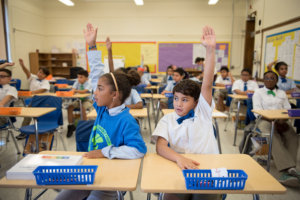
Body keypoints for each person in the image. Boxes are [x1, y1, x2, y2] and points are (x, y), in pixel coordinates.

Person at [55, 23, 147, 200]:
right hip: (91, 172)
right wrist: (91, 45)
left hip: (111, 179)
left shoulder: (126, 120)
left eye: (99, 89)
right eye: (95, 88)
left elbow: (139, 150)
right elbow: (97, 74)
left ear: (114, 95)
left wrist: (105, 152)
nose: (94, 92)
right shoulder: (104, 109)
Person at [152, 26, 220, 200]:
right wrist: (179, 159)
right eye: (176, 98)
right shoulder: (167, 120)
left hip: (206, 170)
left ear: (196, 102)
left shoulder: (202, 113)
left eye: (185, 100)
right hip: (179, 168)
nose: (178, 104)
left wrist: (210, 50)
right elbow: (160, 147)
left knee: (204, 197)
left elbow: (207, 84)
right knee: (171, 196)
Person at [252, 71, 300, 187]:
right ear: (263, 80)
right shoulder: (258, 93)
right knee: (273, 135)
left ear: (276, 80)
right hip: (264, 121)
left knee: (292, 135)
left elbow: (287, 108)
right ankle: (287, 169)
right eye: (266, 78)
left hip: (281, 120)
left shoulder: (282, 93)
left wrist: (282, 121)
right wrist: (273, 121)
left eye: (272, 78)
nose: (269, 80)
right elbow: (258, 112)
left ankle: (291, 168)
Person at [16, 59, 51, 139]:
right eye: (39, 72)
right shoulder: (33, 78)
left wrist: (31, 93)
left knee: (41, 116)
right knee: (27, 115)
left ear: (45, 76)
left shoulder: (46, 82)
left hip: (44, 102)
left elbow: (43, 90)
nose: (40, 74)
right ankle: (23, 131)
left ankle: (42, 130)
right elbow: (27, 72)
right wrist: (22, 65)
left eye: (42, 73)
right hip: (34, 101)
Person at [66, 69, 93, 138]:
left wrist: (75, 90)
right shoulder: (77, 82)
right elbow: (72, 90)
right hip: (79, 100)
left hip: (87, 100)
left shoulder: (89, 83)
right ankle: (71, 125)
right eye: (78, 77)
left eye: (81, 77)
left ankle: (84, 126)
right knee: (70, 107)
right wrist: (73, 90)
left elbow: (84, 91)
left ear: (86, 78)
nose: (79, 79)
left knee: (82, 108)